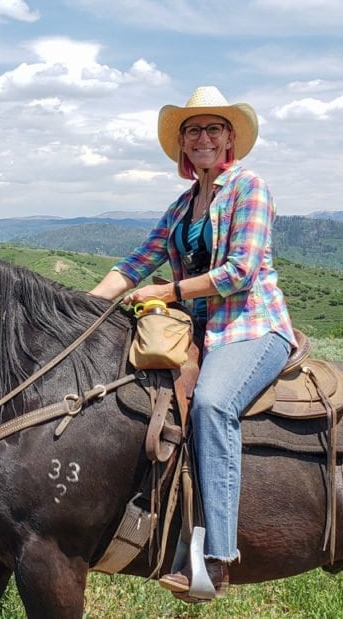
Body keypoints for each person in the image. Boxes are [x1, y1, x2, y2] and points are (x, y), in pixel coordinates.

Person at [89, 85, 296, 600]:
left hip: (250, 326)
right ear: (183, 145)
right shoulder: (184, 205)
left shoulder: (249, 188)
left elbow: (240, 272)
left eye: (213, 129)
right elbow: (139, 261)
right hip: (196, 330)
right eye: (193, 131)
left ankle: (217, 558)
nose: (203, 138)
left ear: (229, 139)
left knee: (211, 405)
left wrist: (170, 289)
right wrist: (81, 310)